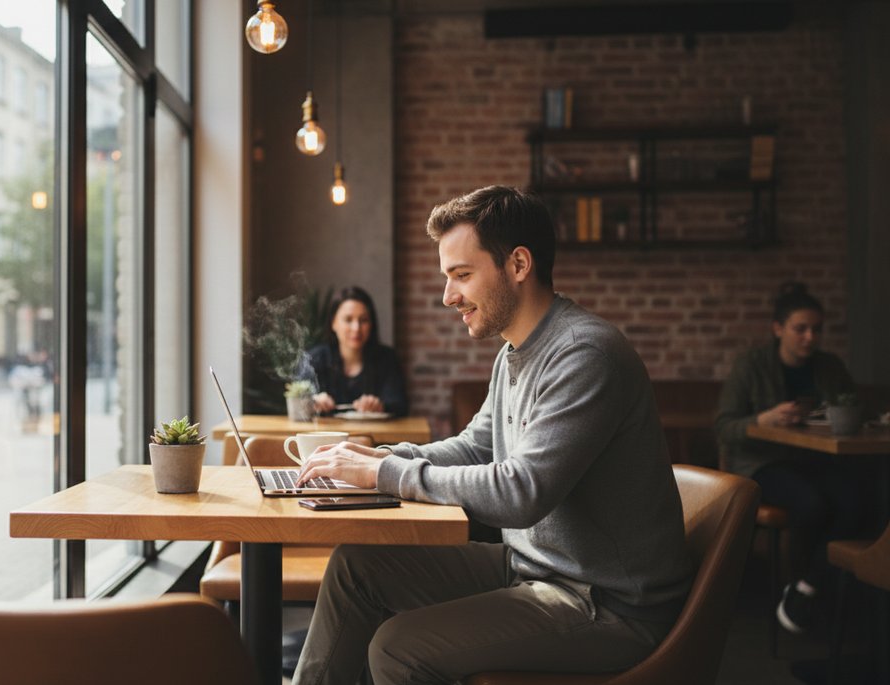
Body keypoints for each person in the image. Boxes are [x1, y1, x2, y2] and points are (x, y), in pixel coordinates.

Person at [292, 186, 692, 685]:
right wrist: (377, 457)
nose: (448, 296)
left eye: (462, 275)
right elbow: (475, 446)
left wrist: (386, 472)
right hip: (533, 568)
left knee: (398, 649)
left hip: (604, 603)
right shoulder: (513, 354)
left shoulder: (585, 354)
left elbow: (521, 491)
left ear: (518, 264)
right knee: (357, 570)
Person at [715, 281, 863, 635]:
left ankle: (807, 589)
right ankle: (804, 591)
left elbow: (854, 409)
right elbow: (723, 426)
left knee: (859, 501)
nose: (810, 337)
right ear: (778, 328)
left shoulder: (829, 366)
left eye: (817, 329)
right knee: (812, 505)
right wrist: (761, 420)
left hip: (815, 461)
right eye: (801, 329)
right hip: (761, 465)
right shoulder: (751, 365)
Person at [306, 286, 408, 417]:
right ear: (333, 323)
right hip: (326, 436)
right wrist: (312, 402)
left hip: (376, 436)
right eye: (348, 320)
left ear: (371, 324)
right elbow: (296, 400)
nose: (356, 328)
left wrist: (380, 406)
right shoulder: (315, 359)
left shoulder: (387, 358)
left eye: (363, 320)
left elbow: (400, 406)